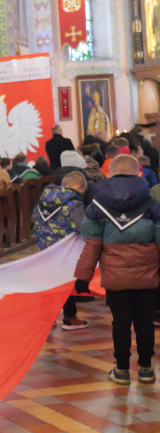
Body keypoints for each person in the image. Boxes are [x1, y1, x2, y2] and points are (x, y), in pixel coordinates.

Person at [74, 154, 160, 385]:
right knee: (145, 322)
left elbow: (91, 245)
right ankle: (145, 368)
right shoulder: (152, 205)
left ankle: (121, 370)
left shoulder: (96, 207)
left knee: (120, 323)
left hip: (115, 277)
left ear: (109, 175)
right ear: (139, 174)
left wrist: (83, 276)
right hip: (147, 276)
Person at [33, 172, 89, 330]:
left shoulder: (43, 199)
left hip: (44, 248)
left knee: (49, 283)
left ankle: (47, 319)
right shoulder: (73, 202)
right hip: (65, 250)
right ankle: (70, 318)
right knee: (66, 283)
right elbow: (82, 227)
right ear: (78, 187)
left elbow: (35, 220)